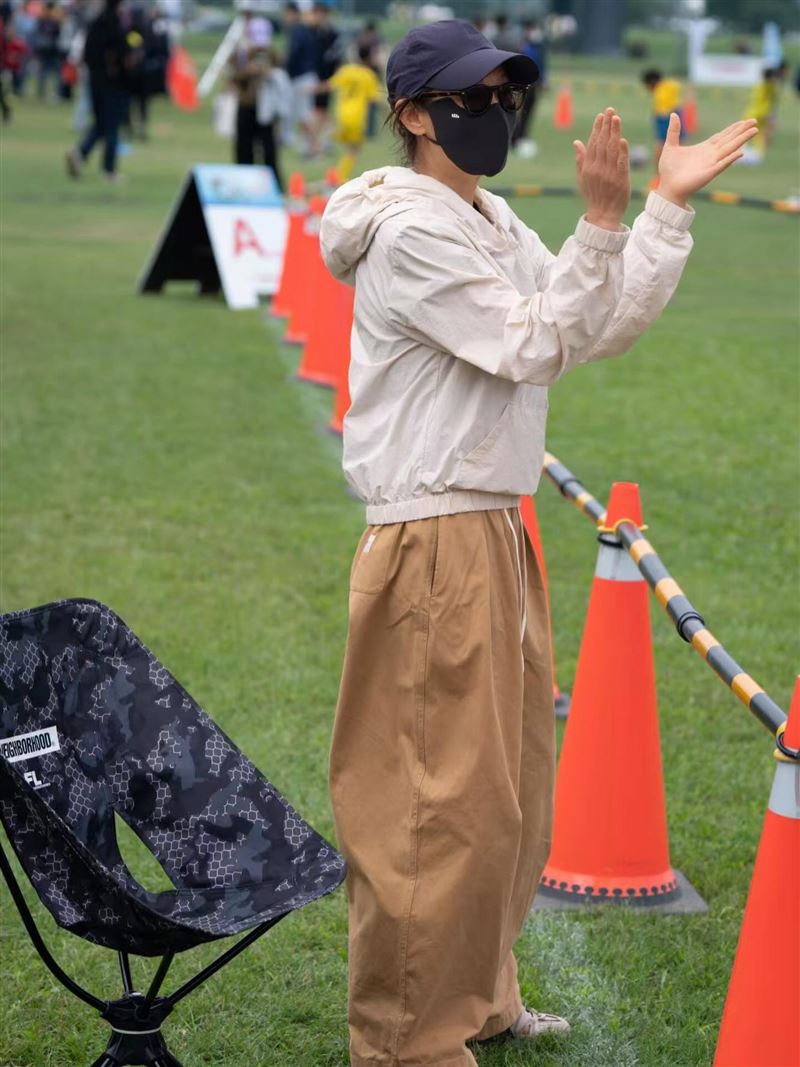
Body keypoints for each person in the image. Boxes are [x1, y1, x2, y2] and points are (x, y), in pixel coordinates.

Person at [319, 18, 757, 1067]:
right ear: (413, 114)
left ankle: (476, 995)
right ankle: (405, 1040)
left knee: (504, 790)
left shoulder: (486, 214)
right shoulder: (410, 231)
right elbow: (532, 341)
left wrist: (659, 210)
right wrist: (602, 222)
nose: (495, 112)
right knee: (433, 803)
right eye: (469, 98)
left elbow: (588, 324)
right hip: (434, 537)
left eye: (504, 95)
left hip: (493, 527)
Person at [66, 0, 132, 182]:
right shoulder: (115, 26)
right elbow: (121, 54)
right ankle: (109, 169)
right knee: (112, 126)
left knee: (101, 123)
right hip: (114, 83)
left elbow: (87, 54)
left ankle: (80, 154)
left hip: (95, 81)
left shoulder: (95, 23)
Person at [316, 43, 381, 182]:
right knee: (353, 150)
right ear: (370, 57)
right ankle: (340, 177)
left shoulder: (346, 70)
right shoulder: (369, 75)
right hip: (357, 118)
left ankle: (325, 144)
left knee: (343, 145)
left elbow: (329, 85)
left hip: (341, 115)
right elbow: (374, 99)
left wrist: (314, 89)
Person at [283, 0, 316, 153]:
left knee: (304, 116)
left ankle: (315, 148)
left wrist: (285, 68)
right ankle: (307, 146)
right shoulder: (303, 30)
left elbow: (293, 54)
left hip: (302, 78)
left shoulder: (297, 30)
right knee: (301, 114)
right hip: (306, 76)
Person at [511, 18, 546, 157]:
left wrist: (542, 81)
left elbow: (541, 67)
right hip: (524, 86)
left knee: (528, 113)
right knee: (520, 112)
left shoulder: (537, 48)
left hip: (533, 86)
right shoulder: (524, 48)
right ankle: (515, 138)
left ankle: (521, 137)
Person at [310, 1, 341, 156]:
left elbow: (336, 60)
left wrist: (334, 79)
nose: (320, 16)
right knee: (316, 113)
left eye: (323, 13)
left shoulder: (332, 35)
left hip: (326, 79)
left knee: (321, 112)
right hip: (312, 78)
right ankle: (315, 144)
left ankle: (317, 144)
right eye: (317, 13)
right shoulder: (310, 33)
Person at [641, 68, 683, 181]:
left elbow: (663, 109)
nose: (647, 89)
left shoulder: (660, 92)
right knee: (679, 145)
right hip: (677, 115)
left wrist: (660, 116)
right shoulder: (670, 84)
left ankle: (658, 174)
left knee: (661, 144)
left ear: (652, 82)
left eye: (647, 85)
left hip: (664, 117)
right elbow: (677, 87)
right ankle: (675, 172)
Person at [33, 0, 62, 100]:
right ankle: (42, 92)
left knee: (53, 73)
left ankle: (53, 92)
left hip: (52, 51)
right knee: (43, 73)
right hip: (46, 51)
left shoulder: (54, 21)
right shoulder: (43, 20)